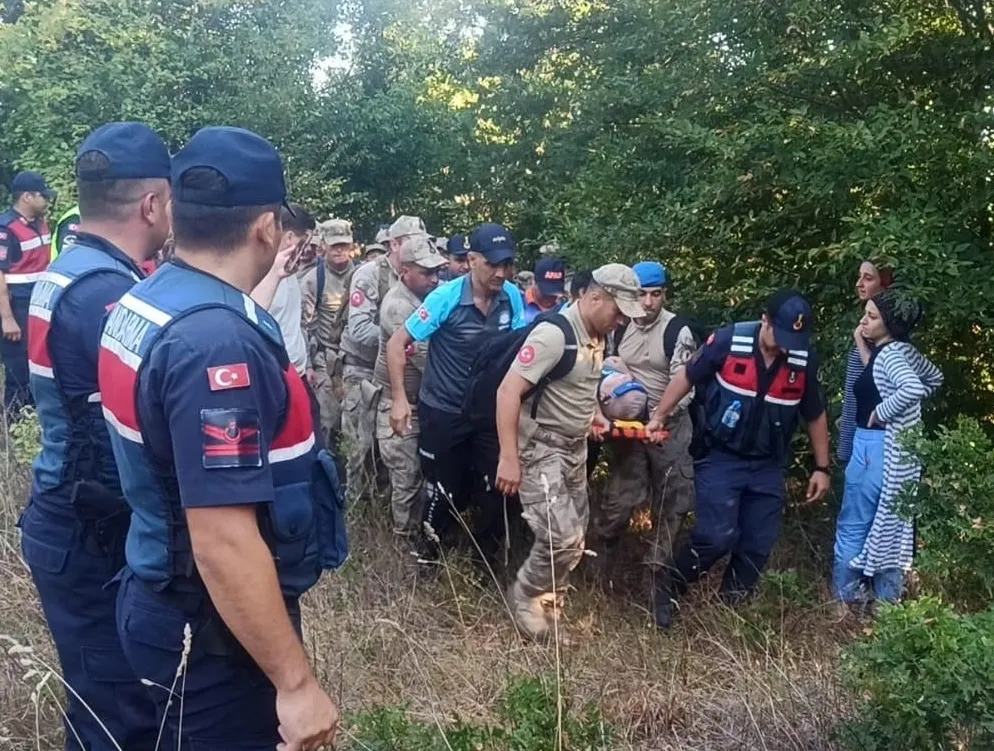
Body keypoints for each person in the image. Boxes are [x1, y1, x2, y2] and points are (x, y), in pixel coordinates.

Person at [98, 126, 342, 750]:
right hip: (207, 625)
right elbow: (223, 539)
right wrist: (295, 684)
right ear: (267, 227)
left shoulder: (149, 298)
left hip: (158, 587)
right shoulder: (216, 343)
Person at [21, 121, 169, 751]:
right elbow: (145, 421)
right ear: (152, 204)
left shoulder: (71, 268)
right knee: (118, 712)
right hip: (91, 530)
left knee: (100, 697)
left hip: (67, 513)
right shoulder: (107, 293)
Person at [646, 290, 831, 630]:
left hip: (768, 464)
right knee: (716, 535)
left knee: (757, 543)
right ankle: (669, 587)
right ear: (765, 321)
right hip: (721, 456)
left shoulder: (803, 360)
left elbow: (815, 413)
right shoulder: (728, 342)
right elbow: (687, 376)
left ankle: (731, 606)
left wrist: (822, 467)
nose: (789, 345)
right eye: (783, 335)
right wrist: (659, 415)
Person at [494, 264, 642, 640]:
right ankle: (526, 597)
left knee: (575, 536)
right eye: (618, 310)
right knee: (562, 537)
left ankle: (548, 607)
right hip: (540, 448)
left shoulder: (599, 333)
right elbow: (508, 392)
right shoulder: (553, 336)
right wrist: (509, 458)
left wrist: (591, 415)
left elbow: (586, 382)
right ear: (594, 297)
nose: (622, 320)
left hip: (574, 449)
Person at [386, 222, 526, 563]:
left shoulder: (512, 298)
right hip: (443, 411)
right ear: (473, 260)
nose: (501, 272)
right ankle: (429, 556)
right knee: (444, 491)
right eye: (493, 263)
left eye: (507, 264)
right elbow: (396, 343)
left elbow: (521, 352)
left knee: (498, 490)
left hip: (488, 414)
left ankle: (485, 562)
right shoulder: (445, 298)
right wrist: (400, 400)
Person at [591, 261, 697, 587]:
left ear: (665, 294)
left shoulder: (677, 331)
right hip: (629, 425)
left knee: (672, 502)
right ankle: (598, 567)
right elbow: (602, 368)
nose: (648, 302)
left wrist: (659, 416)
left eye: (656, 294)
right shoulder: (620, 326)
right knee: (620, 497)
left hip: (670, 426)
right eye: (642, 295)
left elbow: (687, 383)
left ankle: (656, 576)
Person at [833, 290, 941, 611]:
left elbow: (914, 387)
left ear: (890, 323)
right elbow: (932, 378)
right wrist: (861, 343)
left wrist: (883, 411)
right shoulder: (898, 352)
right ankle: (888, 606)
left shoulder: (891, 355)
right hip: (896, 450)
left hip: (873, 446)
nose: (864, 320)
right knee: (892, 525)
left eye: (872, 316)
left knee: (854, 523)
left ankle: (844, 601)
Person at [340, 214, 425, 499]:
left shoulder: (422, 277)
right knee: (361, 448)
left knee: (394, 451)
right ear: (395, 244)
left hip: (399, 376)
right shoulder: (371, 274)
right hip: (363, 370)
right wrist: (396, 343)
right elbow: (358, 329)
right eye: (412, 243)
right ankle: (356, 510)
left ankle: (389, 508)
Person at [373, 235, 446, 536]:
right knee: (406, 478)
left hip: (422, 403)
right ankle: (403, 540)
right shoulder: (398, 307)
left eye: (436, 272)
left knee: (421, 475)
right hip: (400, 405)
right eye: (426, 272)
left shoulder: (428, 297)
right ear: (405, 272)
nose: (435, 278)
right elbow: (426, 359)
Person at [252, 204, 318, 439]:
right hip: (277, 380)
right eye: (305, 240)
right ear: (290, 237)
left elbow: (295, 322)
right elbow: (251, 318)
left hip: (297, 374)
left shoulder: (292, 272)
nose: (308, 249)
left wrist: (307, 363)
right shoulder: (260, 273)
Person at [0, 170, 54, 416]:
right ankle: (13, 423)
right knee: (18, 370)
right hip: (16, 307)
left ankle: (32, 418)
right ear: (27, 197)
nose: (47, 200)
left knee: (37, 364)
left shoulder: (40, 223)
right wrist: (7, 318)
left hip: (37, 304)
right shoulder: (6, 228)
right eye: (42, 196)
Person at [300, 218, 355, 448]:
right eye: (335, 246)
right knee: (327, 420)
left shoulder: (363, 276)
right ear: (323, 247)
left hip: (355, 358)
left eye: (344, 245)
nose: (340, 250)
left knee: (354, 421)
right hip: (325, 357)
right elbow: (304, 324)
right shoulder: (313, 280)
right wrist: (310, 364)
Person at [838, 260, 894, 466]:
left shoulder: (886, 328)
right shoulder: (867, 323)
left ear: (885, 284)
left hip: (873, 433)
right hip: (856, 423)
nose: (859, 283)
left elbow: (879, 371)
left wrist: (860, 342)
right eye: (860, 276)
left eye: (868, 278)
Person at [523, 257, 567, 323]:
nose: (549, 299)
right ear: (534, 282)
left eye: (554, 294)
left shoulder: (565, 307)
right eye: (545, 294)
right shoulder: (519, 302)